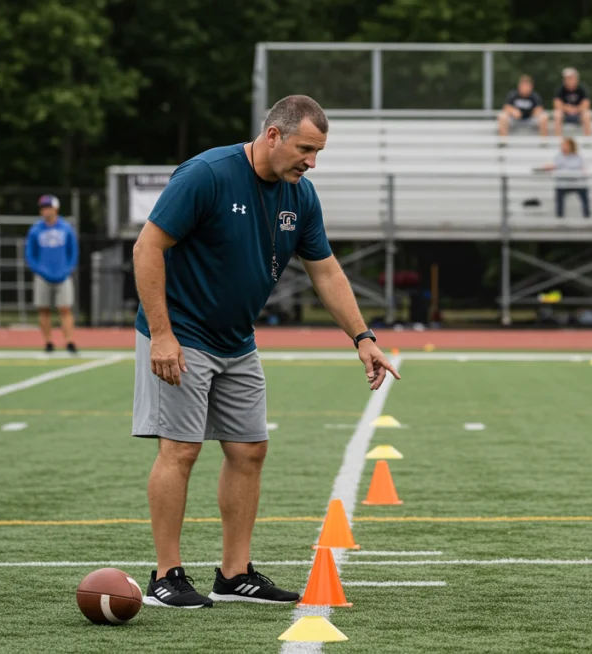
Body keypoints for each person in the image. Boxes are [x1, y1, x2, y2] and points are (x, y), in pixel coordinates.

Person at [130, 94, 400, 609]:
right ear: (272, 136)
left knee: (250, 449)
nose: (311, 162)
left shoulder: (302, 195)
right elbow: (147, 247)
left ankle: (234, 575)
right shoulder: (206, 174)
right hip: (182, 333)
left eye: (318, 152)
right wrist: (162, 335)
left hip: (237, 339)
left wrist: (363, 338)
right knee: (181, 449)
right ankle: (166, 574)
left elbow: (325, 270)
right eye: (305, 148)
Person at [24, 194, 78, 354]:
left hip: (63, 275)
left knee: (65, 308)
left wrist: (67, 269)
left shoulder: (66, 228)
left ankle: (69, 341)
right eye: (43, 208)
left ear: (56, 208)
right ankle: (48, 341)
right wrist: (40, 270)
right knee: (44, 309)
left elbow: (73, 251)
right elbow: (30, 254)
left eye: (48, 207)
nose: (45, 211)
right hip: (43, 276)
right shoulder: (35, 230)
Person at [536, 137, 589, 218]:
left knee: (584, 191)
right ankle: (559, 217)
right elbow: (554, 166)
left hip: (576, 183)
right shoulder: (558, 156)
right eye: (562, 145)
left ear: (571, 146)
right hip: (562, 183)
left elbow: (582, 169)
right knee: (559, 194)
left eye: (565, 145)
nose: (563, 147)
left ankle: (587, 215)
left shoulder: (578, 156)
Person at [553, 67, 592, 136]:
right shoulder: (560, 89)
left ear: (576, 79)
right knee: (557, 114)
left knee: (587, 115)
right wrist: (568, 109)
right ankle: (558, 139)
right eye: (567, 78)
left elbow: (586, 104)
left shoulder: (582, 89)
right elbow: (557, 104)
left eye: (571, 78)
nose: (569, 80)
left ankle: (588, 141)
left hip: (579, 114)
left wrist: (576, 109)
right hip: (565, 115)